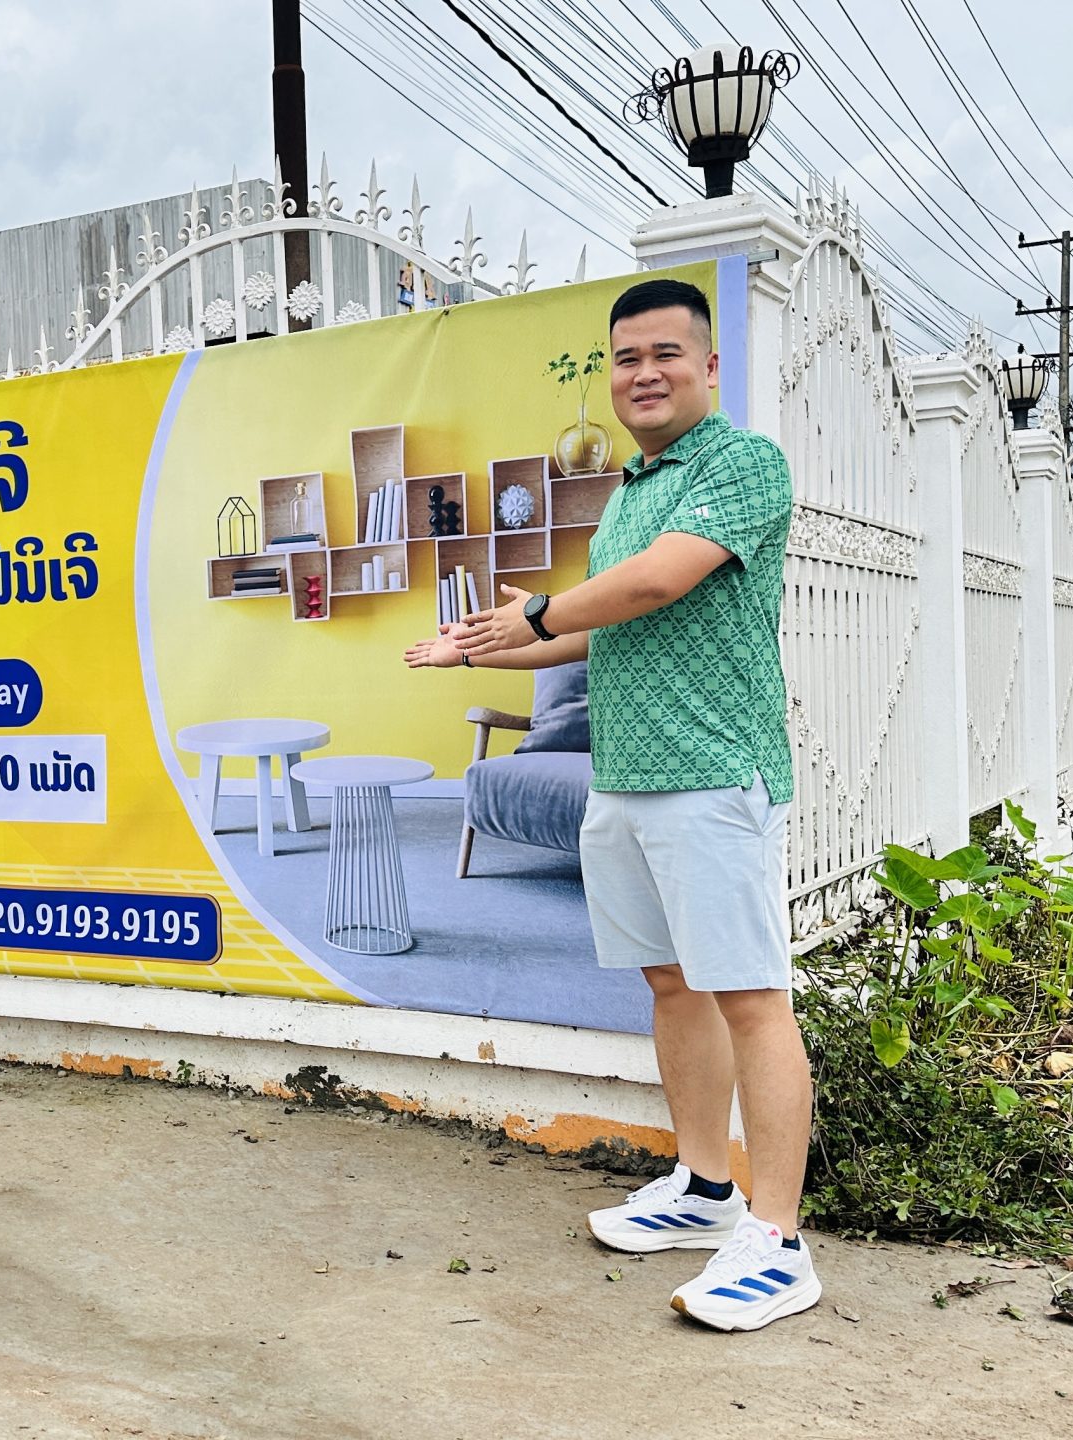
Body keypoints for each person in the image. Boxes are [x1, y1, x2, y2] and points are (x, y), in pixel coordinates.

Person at [403, 277, 812, 1332]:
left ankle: (777, 1242)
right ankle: (706, 1190)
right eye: (627, 358)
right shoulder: (628, 492)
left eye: (665, 354)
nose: (644, 374)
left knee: (751, 997)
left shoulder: (741, 465)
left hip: (711, 774)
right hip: (622, 777)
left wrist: (535, 611)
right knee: (671, 985)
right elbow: (600, 627)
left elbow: (657, 584)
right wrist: (480, 647)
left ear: (708, 366)